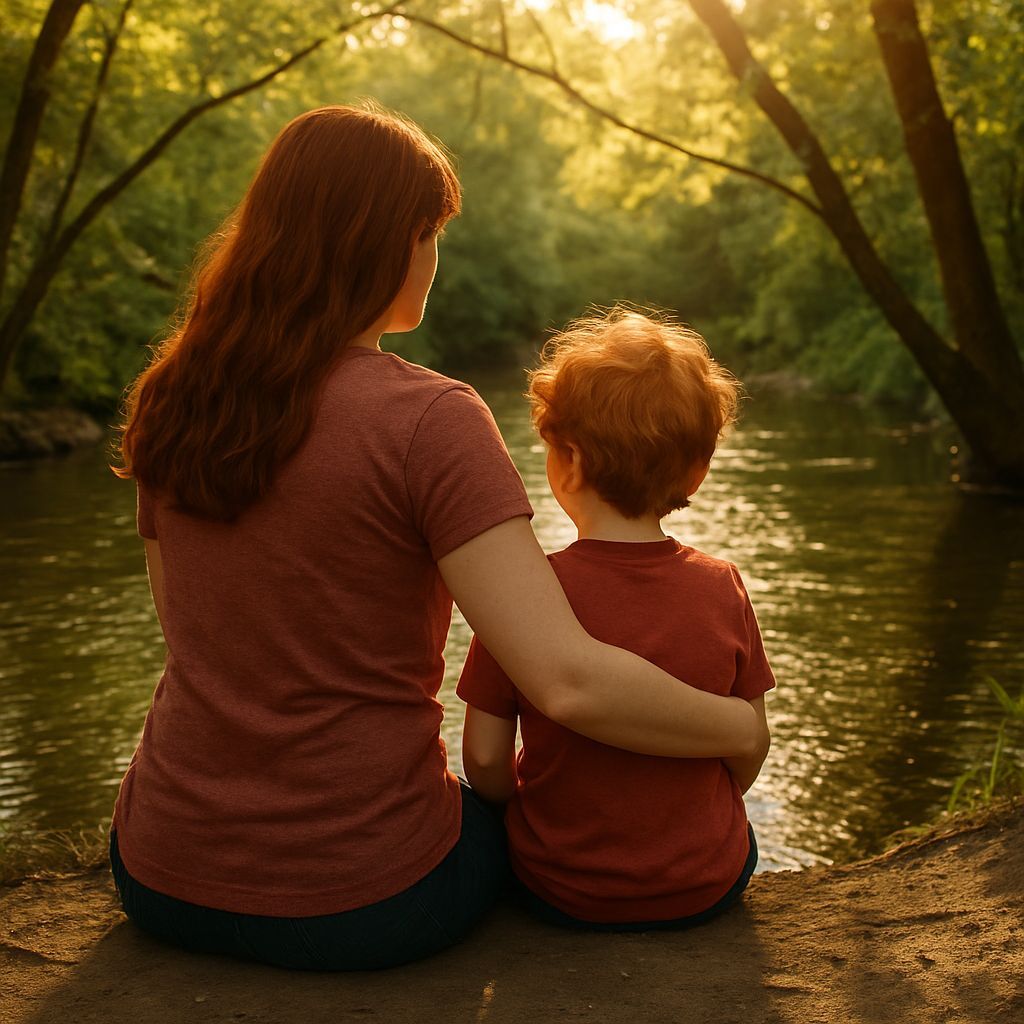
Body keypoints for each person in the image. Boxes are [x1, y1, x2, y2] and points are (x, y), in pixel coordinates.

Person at [109, 104, 765, 971]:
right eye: (429, 230)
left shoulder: (174, 397)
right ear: (383, 239)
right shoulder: (430, 420)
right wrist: (737, 730)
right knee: (519, 821)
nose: (434, 257)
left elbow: (193, 636)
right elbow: (566, 681)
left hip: (160, 871)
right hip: (367, 898)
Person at [457, 307, 775, 931]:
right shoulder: (723, 587)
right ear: (698, 471)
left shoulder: (527, 592)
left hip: (560, 887)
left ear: (566, 460)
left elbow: (486, 759)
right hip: (703, 884)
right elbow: (748, 746)